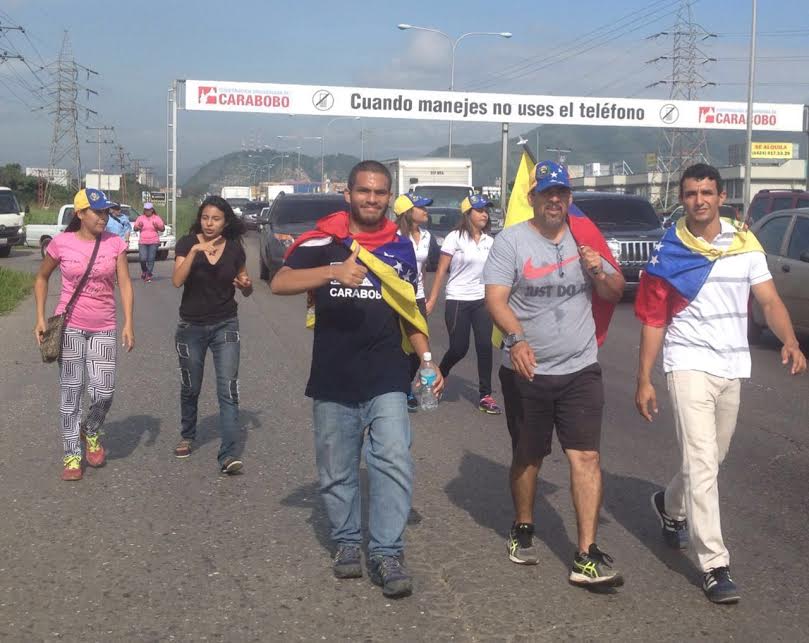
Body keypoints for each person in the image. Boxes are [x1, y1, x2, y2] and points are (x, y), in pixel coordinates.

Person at [270, 160, 444, 599]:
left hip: (386, 373)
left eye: (380, 192)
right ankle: (347, 543)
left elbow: (412, 310)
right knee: (336, 469)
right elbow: (281, 282)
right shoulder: (324, 240)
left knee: (393, 461)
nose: (371, 199)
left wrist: (427, 358)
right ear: (347, 194)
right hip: (333, 374)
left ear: (389, 198)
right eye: (363, 191)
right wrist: (332, 272)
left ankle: (386, 551)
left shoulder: (402, 249)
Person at [634, 163, 806, 604]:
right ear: (682, 197)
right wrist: (644, 379)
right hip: (687, 361)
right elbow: (654, 320)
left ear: (720, 196)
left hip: (733, 364)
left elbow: (768, 299)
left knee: (710, 458)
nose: (699, 201)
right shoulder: (670, 249)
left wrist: (789, 340)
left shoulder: (745, 242)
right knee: (704, 461)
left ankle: (669, 506)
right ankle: (715, 565)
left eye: (707, 192)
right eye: (691, 193)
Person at [483, 160, 626, 588]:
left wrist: (598, 270)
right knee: (529, 456)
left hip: (581, 367)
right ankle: (523, 525)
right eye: (546, 192)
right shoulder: (511, 241)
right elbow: (496, 299)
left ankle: (585, 554)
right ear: (533, 198)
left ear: (569, 199)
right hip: (528, 371)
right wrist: (517, 339)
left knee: (586, 457)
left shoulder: (586, 240)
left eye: (561, 192)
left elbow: (615, 292)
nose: (554, 199)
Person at [33, 188, 135, 481]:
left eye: (105, 211)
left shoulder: (114, 244)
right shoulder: (61, 244)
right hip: (70, 327)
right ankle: (71, 456)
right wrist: (40, 318)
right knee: (71, 392)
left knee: (104, 391)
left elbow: (125, 284)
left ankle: (90, 429)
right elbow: (41, 278)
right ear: (80, 214)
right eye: (97, 212)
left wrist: (128, 322)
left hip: (103, 326)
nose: (104, 217)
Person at [171, 195, 252, 474]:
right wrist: (195, 251)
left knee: (228, 390)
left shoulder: (234, 249)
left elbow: (245, 283)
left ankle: (228, 455)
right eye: (205, 217)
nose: (209, 223)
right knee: (191, 386)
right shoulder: (186, 242)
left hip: (225, 325)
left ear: (225, 221)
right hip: (190, 327)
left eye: (216, 218)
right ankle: (188, 434)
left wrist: (245, 285)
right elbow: (177, 280)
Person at [426, 193, 501, 415]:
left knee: (484, 346)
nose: (485, 214)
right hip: (458, 299)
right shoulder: (454, 238)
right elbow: (440, 271)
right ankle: (441, 373)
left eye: (486, 211)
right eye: (479, 210)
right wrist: (432, 299)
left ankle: (485, 395)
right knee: (459, 348)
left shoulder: (490, 241)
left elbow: (496, 271)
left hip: (481, 300)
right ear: (468, 214)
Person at [393, 192, 434, 411]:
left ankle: (405, 386)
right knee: (397, 346)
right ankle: (399, 390)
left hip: (417, 297)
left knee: (419, 347)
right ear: (408, 213)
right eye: (421, 207)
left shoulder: (427, 236)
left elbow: (423, 266)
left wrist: (426, 293)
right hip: (396, 298)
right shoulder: (394, 235)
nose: (426, 211)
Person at [134, 202, 164, 282]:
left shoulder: (156, 218)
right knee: (142, 258)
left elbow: (162, 229)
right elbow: (135, 228)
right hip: (143, 242)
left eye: (149, 210)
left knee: (151, 258)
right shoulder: (140, 218)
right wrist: (138, 227)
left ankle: (148, 274)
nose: (147, 211)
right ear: (144, 210)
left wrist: (157, 226)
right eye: (146, 210)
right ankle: (144, 271)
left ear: (152, 210)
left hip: (153, 241)